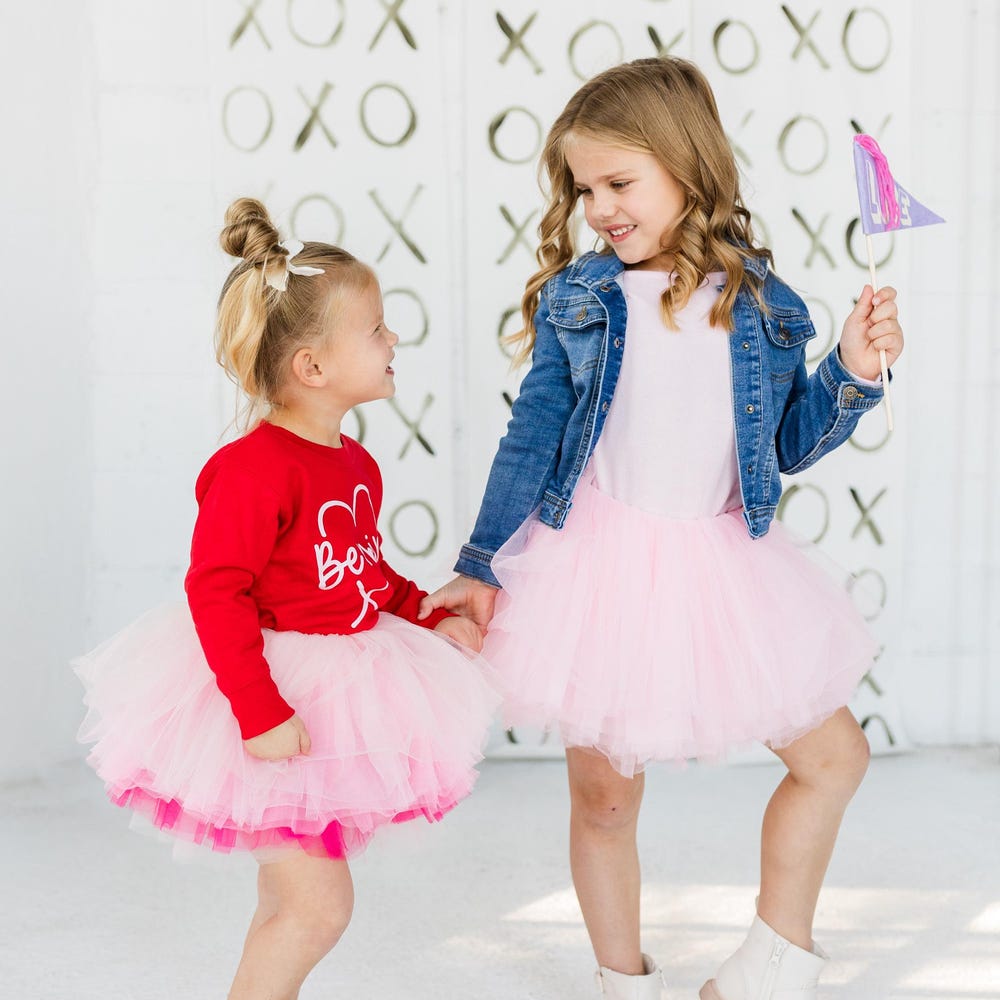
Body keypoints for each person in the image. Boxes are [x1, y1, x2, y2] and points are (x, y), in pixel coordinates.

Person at [419, 58, 903, 1000]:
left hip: (723, 569)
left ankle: (771, 962)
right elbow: (534, 433)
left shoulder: (763, 308)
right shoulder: (583, 299)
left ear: (688, 168)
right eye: (583, 187)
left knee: (834, 757)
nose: (597, 206)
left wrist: (850, 367)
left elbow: (788, 444)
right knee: (604, 797)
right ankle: (621, 980)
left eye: (618, 182)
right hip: (597, 564)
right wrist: (482, 559)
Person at [75, 198, 498, 1000]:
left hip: (341, 688)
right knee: (317, 907)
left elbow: (361, 573)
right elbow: (216, 590)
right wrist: (258, 710)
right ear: (312, 365)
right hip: (274, 695)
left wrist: (424, 613)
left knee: (290, 899)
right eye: (375, 328)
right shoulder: (254, 468)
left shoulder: (353, 464)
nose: (392, 339)